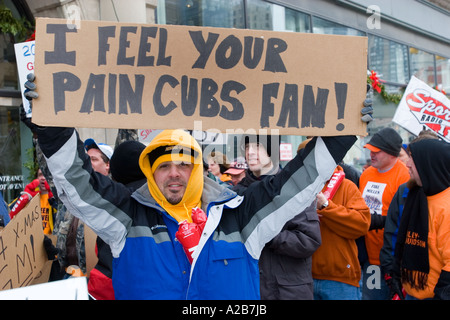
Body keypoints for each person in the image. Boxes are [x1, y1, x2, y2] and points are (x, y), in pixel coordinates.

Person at [26, 74, 371, 299]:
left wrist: (342, 130)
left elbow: (297, 182)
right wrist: (52, 124)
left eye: (183, 164)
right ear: (150, 171)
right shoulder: (126, 217)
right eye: (164, 166)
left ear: (197, 169)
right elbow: (78, 183)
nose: (174, 173)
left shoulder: (240, 216)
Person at [233, 135, 321, 300]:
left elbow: (309, 240)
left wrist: (266, 233)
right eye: (247, 148)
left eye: (257, 146)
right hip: (248, 290)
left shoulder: (296, 188)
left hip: (288, 293)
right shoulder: (236, 194)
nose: (250, 153)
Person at [380, 130, 439, 293]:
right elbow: (392, 234)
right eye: (410, 156)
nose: (408, 163)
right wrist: (391, 273)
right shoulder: (405, 191)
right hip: (408, 281)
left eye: (413, 157)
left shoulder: (444, 193)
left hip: (438, 283)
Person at [391, 138, 450, 300]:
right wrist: (397, 272)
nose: (407, 164)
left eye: (413, 159)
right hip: (411, 291)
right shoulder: (417, 193)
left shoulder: (446, 206)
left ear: (428, 163)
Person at [88, 140, 146, 300]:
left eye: (93, 159)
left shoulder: (116, 206)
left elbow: (108, 270)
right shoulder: (170, 202)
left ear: (112, 167)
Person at [359, 127, 410, 300]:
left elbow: (405, 217)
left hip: (392, 258)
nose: (372, 155)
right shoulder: (366, 174)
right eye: (370, 150)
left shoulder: (405, 176)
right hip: (368, 256)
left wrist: (380, 221)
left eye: (377, 152)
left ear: (392, 154)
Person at [312, 161, 370, 300]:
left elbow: (361, 225)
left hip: (340, 278)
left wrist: (326, 206)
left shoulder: (347, 186)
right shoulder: (299, 186)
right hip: (303, 277)